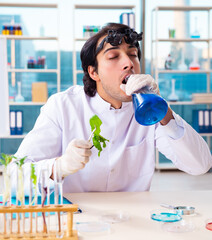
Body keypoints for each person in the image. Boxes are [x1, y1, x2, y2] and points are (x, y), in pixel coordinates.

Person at [14, 23, 211, 193]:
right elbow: (15, 175)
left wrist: (163, 110)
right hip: (79, 219)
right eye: (113, 56)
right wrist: (59, 167)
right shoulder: (63, 106)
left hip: (133, 221)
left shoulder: (151, 110)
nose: (128, 63)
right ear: (93, 72)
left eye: (133, 55)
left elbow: (200, 166)